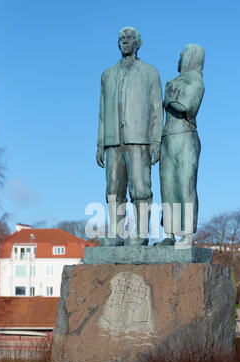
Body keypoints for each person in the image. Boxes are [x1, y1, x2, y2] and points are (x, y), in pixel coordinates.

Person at [96, 27, 163, 246]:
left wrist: (156, 140)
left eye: (129, 38)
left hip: (139, 139)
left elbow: (156, 108)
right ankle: (116, 234)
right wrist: (100, 144)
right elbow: (102, 112)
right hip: (113, 140)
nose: (125, 42)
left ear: (138, 42)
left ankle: (142, 233)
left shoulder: (150, 72)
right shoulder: (107, 75)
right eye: (121, 39)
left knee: (141, 189)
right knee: (113, 189)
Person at [158, 43, 205, 247]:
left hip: (186, 138)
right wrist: (172, 100)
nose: (178, 59)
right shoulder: (172, 82)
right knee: (167, 187)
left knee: (185, 185)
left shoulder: (197, 81)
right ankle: (169, 233)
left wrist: (169, 100)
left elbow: (185, 106)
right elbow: (174, 104)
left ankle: (187, 235)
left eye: (182, 55)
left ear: (191, 57)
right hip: (168, 138)